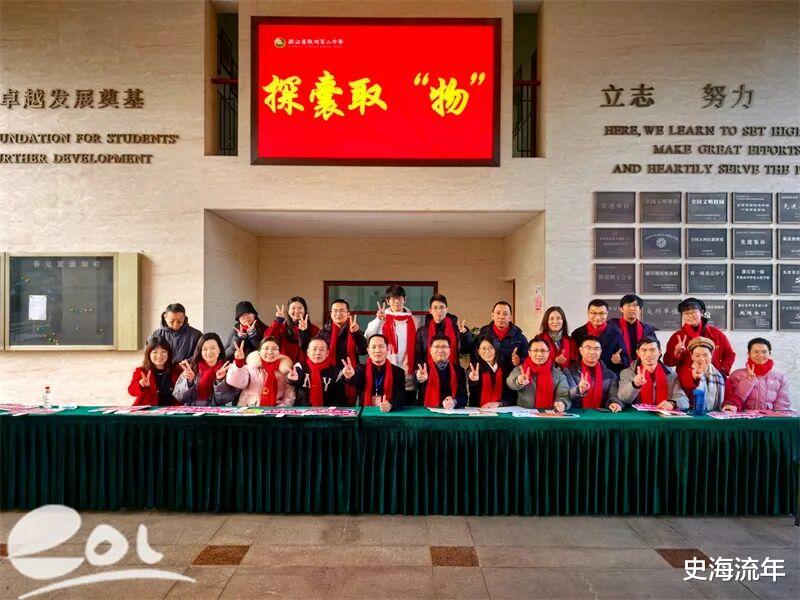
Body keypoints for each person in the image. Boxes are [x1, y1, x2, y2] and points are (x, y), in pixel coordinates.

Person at [366, 285, 421, 402]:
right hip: (387, 369)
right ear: (387, 301)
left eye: (399, 298)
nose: (396, 301)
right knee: (386, 403)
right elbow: (369, 335)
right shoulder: (382, 318)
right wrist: (378, 320)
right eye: (393, 299)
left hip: (408, 370)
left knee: (407, 404)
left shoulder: (415, 321)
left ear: (405, 299)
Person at [313, 298, 368, 405]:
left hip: (349, 375)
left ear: (348, 314)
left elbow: (363, 351)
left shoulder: (355, 330)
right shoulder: (323, 333)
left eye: (342, 311)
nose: (338, 314)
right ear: (331, 314)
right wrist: (303, 332)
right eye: (335, 311)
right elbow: (312, 349)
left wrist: (356, 334)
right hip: (329, 376)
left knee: (348, 408)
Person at [665, 297, 735, 377]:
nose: (690, 316)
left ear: (701, 312)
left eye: (693, 312)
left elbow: (729, 355)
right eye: (686, 313)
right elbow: (667, 362)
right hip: (686, 381)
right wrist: (676, 354)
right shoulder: (677, 337)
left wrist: (723, 371)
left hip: (712, 379)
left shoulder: (716, 334)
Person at [618, 336, 688, 411]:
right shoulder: (627, 373)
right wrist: (635, 384)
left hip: (663, 414)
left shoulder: (671, 374)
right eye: (644, 350)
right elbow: (623, 398)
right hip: (637, 415)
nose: (649, 354)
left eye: (653, 350)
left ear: (659, 352)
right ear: (638, 353)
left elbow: (684, 401)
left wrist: (672, 403)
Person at [722, 338, 791, 412]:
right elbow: (733, 401)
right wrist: (748, 381)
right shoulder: (736, 375)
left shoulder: (780, 378)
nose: (760, 355)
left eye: (764, 352)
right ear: (749, 354)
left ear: (769, 353)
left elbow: (782, 405)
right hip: (744, 417)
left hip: (769, 418)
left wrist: (778, 417)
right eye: (756, 352)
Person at [341, 334, 405, 412]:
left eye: (381, 347)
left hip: (389, 413)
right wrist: (350, 376)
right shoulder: (361, 369)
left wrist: (390, 405)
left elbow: (400, 396)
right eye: (373, 347)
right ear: (368, 350)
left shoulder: (398, 372)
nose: (377, 351)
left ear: (387, 349)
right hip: (365, 412)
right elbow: (356, 380)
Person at [226, 337, 295, 407]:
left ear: (279, 352)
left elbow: (289, 395)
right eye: (266, 348)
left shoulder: (285, 370)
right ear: (259, 351)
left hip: (276, 410)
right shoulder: (251, 367)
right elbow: (237, 383)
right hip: (250, 408)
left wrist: (280, 409)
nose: (270, 352)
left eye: (274, 349)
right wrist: (239, 362)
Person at [507, 335, 570, 411]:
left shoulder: (558, 374)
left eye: (543, 351)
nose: (539, 354)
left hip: (549, 413)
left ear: (548, 353)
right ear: (529, 353)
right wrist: (519, 381)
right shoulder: (520, 369)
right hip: (524, 413)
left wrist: (562, 403)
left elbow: (564, 395)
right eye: (535, 351)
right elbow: (510, 383)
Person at [463, 301, 528, 373]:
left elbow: (528, 359)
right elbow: (471, 353)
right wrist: (465, 334)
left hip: (510, 377)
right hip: (486, 375)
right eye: (498, 313)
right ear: (492, 316)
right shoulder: (482, 334)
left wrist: (520, 360)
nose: (501, 317)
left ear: (510, 317)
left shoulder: (520, 337)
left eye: (505, 314)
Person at [173, 332, 236, 406]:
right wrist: (189, 382)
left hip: (215, 411)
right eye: (205, 349)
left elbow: (224, 399)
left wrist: (219, 381)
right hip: (192, 410)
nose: (209, 352)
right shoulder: (191, 368)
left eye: (213, 348)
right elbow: (179, 397)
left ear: (219, 349)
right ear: (200, 351)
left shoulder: (226, 369)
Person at [565, 336, 623, 412]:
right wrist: (579, 390)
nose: (592, 352)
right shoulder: (569, 371)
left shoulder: (610, 375)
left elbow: (613, 395)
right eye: (588, 348)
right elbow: (567, 396)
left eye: (596, 349)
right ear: (581, 350)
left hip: (601, 414)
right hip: (577, 414)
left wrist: (615, 403)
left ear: (601, 351)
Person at [571, 299, 629, 374]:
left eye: (601, 313)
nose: (597, 317)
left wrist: (619, 360)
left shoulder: (616, 334)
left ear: (607, 313)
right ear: (588, 313)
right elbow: (572, 358)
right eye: (593, 313)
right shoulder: (577, 333)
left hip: (608, 376)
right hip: (581, 374)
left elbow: (626, 359)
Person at [415, 294, 472, 367]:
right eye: (435, 308)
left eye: (442, 307)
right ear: (430, 311)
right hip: (429, 371)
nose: (439, 311)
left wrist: (464, 334)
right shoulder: (422, 331)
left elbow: (465, 350)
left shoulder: (457, 329)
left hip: (453, 370)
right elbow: (418, 356)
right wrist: (421, 370)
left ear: (446, 310)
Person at [288, 336, 344, 406]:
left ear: (327, 353)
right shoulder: (300, 367)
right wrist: (292, 380)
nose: (318, 353)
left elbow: (339, 399)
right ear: (308, 352)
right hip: (302, 410)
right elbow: (294, 383)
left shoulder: (336, 372)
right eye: (314, 349)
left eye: (322, 349)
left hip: (327, 411)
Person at [415, 334, 468, 409]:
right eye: (436, 347)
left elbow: (464, 397)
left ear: (449, 350)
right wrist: (419, 379)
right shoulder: (423, 369)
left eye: (444, 347)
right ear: (430, 350)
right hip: (426, 411)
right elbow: (416, 383)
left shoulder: (459, 371)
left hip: (450, 411)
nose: (440, 350)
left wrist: (454, 402)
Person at [263, 296, 320, 364]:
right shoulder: (282, 328)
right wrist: (278, 321)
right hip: (285, 365)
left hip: (307, 366)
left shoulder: (314, 329)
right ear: (288, 311)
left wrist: (304, 332)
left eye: (300, 308)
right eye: (293, 308)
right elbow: (268, 339)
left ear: (305, 310)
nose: (296, 311)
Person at [128, 336, 181, 406]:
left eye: (163, 352)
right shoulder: (142, 371)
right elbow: (131, 391)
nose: (159, 356)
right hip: (148, 410)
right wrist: (141, 384)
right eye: (155, 352)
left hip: (172, 410)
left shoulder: (176, 370)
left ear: (169, 353)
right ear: (149, 354)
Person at [676, 337, 726, 412]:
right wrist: (695, 379)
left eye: (705, 355)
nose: (702, 359)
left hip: (715, 414)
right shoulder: (686, 372)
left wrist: (729, 404)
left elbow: (728, 395)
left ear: (711, 354)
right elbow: (685, 384)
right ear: (692, 356)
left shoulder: (720, 376)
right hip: (692, 414)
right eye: (697, 355)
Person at [466, 335, 514, 408]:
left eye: (491, 348)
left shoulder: (506, 367)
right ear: (478, 351)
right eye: (483, 348)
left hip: (501, 409)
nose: (487, 352)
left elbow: (512, 395)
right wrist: (472, 377)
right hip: (478, 410)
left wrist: (500, 403)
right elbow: (469, 375)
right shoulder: (474, 367)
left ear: (496, 349)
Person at [609, 294, 657, 362]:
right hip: (617, 366)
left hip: (641, 366)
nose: (631, 308)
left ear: (640, 310)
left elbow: (655, 350)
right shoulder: (611, 326)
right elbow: (603, 348)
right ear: (621, 309)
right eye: (628, 305)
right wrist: (611, 357)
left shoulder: (647, 330)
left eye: (635, 305)